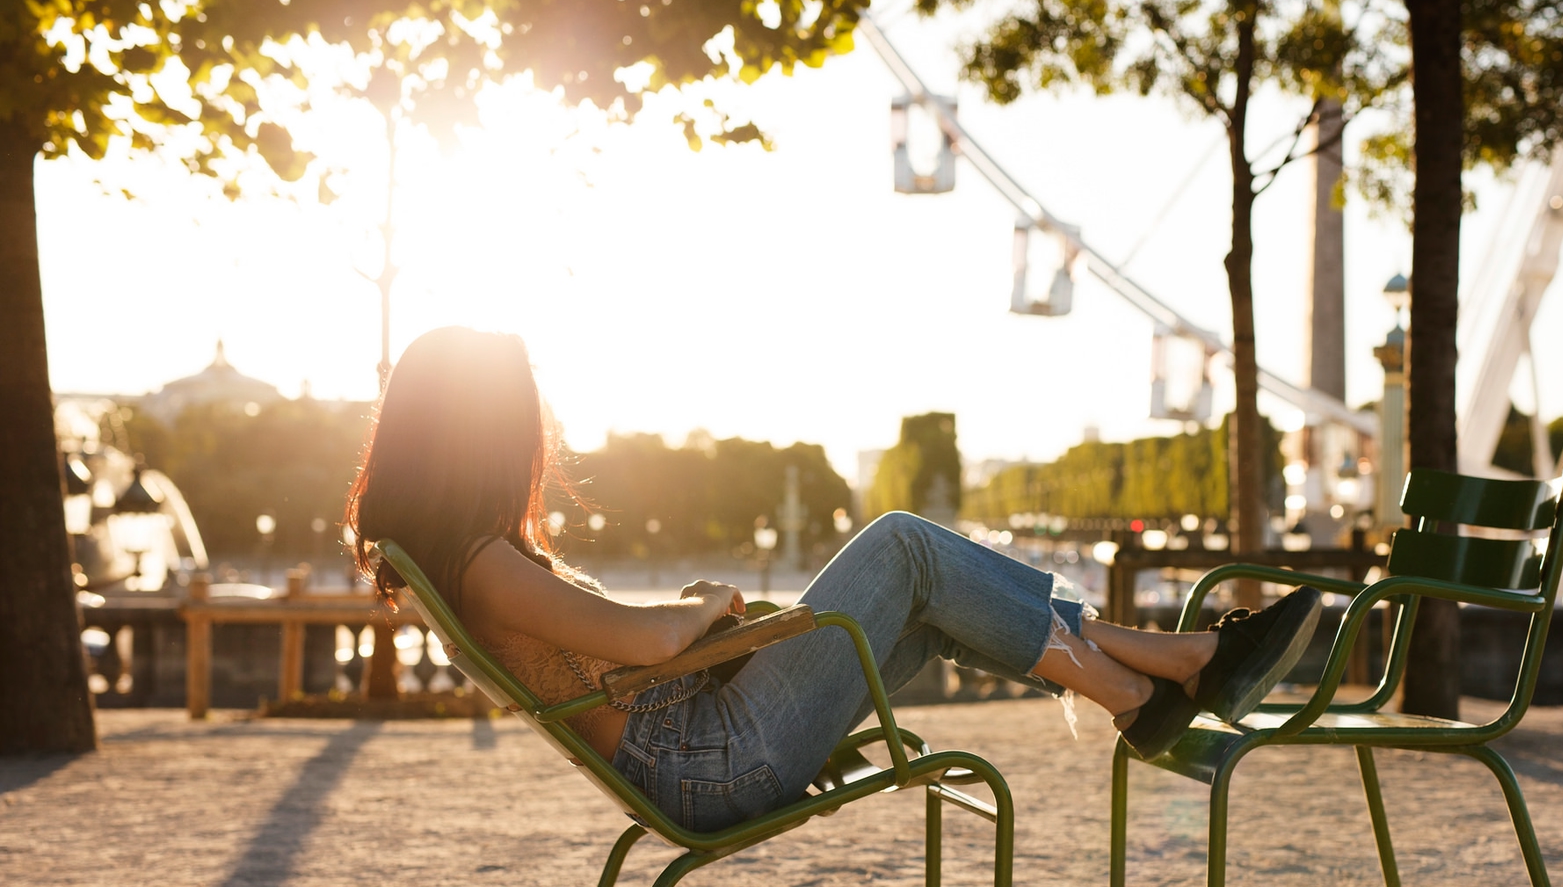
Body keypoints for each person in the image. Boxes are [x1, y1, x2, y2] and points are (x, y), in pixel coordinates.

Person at [347, 328, 1322, 832]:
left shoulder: (468, 566)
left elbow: (620, 657)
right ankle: (1139, 691)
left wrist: (707, 627)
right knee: (902, 544)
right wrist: (697, 608)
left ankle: (1174, 665)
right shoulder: (485, 568)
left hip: (707, 737)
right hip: (714, 760)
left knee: (940, 600)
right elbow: (642, 646)